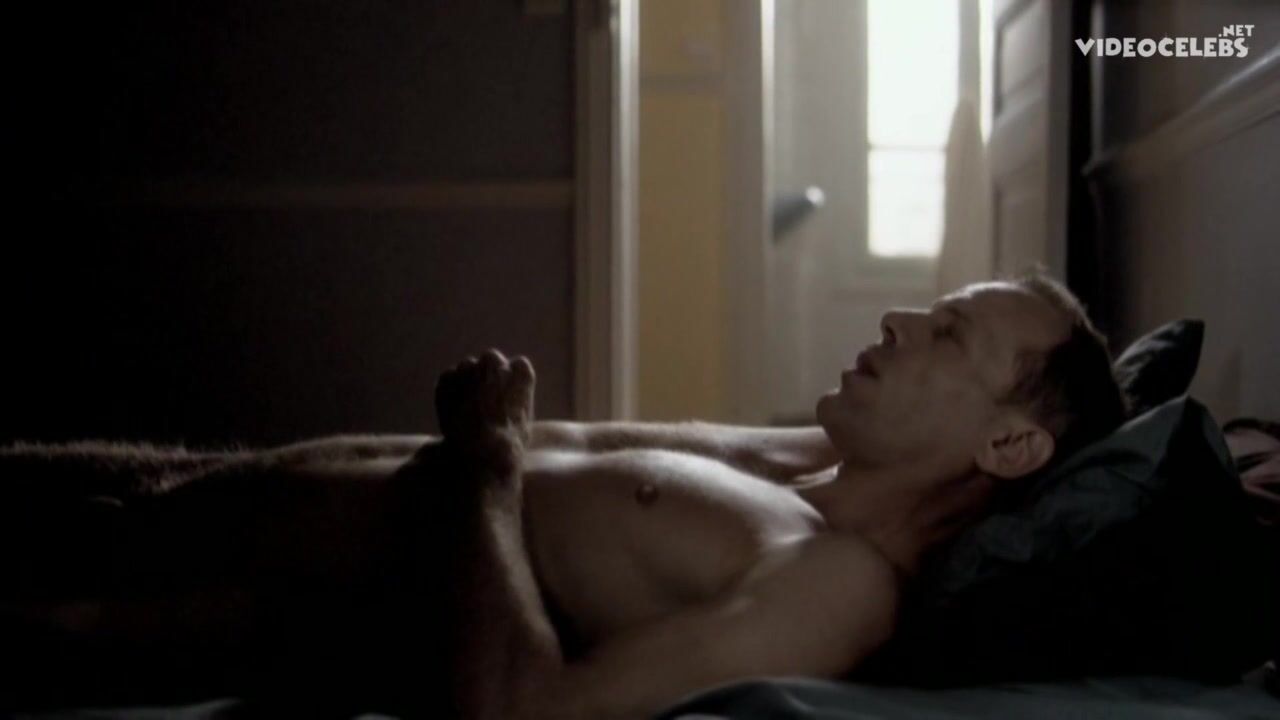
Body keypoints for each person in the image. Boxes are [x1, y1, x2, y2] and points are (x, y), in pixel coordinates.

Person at [0, 274, 1126, 719]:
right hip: (180, 495)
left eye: (948, 334)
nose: (898, 319)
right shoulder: (807, 460)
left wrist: (487, 463)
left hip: (169, 605)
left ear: (1009, 443)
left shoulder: (835, 583)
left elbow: (524, 715)